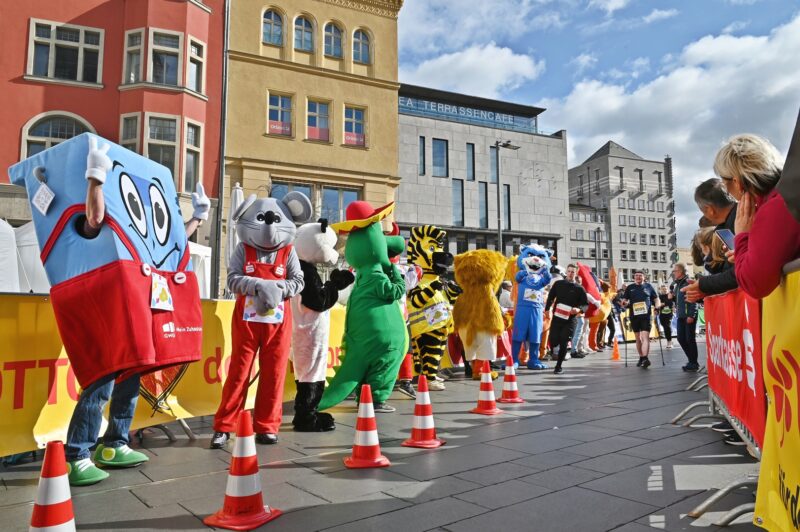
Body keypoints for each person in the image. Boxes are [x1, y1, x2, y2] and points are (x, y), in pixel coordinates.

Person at [715, 134, 800, 298]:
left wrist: (742, 235)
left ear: (737, 182)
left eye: (726, 185)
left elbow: (754, 283)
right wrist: (744, 253)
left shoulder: (775, 207)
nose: (729, 193)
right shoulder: (785, 195)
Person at [683, 178, 738, 303]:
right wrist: (706, 288)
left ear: (710, 209)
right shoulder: (727, 226)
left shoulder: (734, 224)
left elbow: (740, 272)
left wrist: (705, 285)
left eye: (703, 211)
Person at [544, 264, 588, 374]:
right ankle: (555, 349)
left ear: (576, 273)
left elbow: (585, 305)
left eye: (573, 272)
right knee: (553, 340)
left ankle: (558, 366)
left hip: (570, 320)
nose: (570, 273)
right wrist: (547, 309)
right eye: (569, 271)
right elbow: (550, 297)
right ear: (566, 272)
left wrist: (578, 310)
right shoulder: (558, 284)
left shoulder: (579, 289)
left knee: (564, 341)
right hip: (557, 318)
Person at [620, 270, 661, 368]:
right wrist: (624, 303)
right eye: (636, 276)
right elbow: (624, 300)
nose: (638, 277)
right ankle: (641, 357)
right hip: (634, 316)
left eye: (640, 275)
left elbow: (656, 299)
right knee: (638, 339)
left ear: (644, 277)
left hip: (646, 316)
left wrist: (657, 307)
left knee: (645, 337)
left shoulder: (649, 287)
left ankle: (645, 358)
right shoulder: (630, 288)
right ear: (634, 277)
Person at [671, 264, 699, 371]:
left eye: (675, 271)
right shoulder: (677, 285)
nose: (674, 273)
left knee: (689, 339)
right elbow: (678, 300)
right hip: (680, 315)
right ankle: (691, 360)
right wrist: (672, 298)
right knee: (681, 338)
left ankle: (693, 363)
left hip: (688, 315)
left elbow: (694, 300)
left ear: (681, 271)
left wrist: (692, 315)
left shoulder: (688, 282)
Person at [658, 284, 675, 349]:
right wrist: (656, 309)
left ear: (667, 289)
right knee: (664, 326)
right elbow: (657, 304)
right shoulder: (659, 296)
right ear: (660, 290)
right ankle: (669, 339)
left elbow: (674, 301)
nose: (664, 290)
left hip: (669, 313)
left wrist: (674, 306)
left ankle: (669, 341)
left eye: (665, 289)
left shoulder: (670, 295)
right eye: (663, 289)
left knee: (667, 326)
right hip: (662, 313)